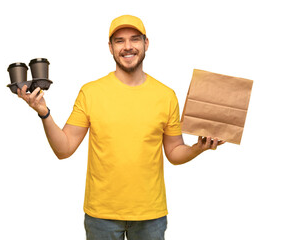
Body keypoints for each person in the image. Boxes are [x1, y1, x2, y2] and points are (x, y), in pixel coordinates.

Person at [17, 15, 224, 240]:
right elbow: (64, 149)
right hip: (101, 215)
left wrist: (198, 147)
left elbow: (174, 153)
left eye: (135, 39)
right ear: (110, 47)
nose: (128, 47)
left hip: (150, 215)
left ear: (146, 44)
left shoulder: (166, 96)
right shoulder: (91, 92)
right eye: (119, 41)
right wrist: (44, 113)